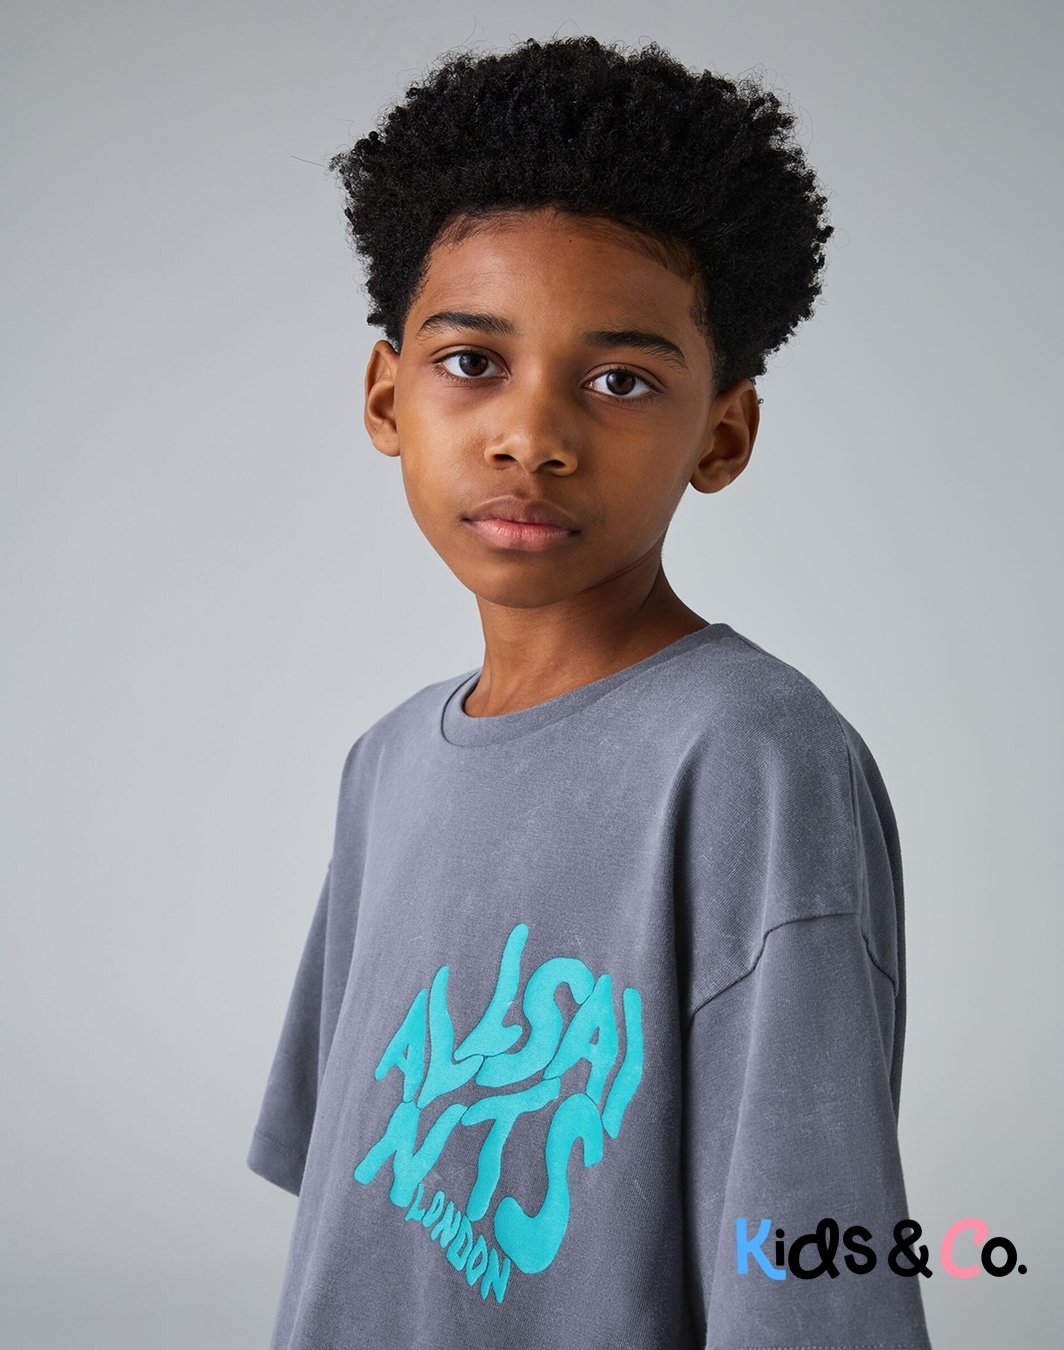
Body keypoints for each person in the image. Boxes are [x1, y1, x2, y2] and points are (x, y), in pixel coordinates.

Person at [246, 34, 932, 1349]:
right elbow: (354, 1192)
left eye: (621, 380)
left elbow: (814, 1261)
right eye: (473, 361)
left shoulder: (753, 759)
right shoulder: (385, 763)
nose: (533, 435)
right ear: (387, 397)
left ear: (722, 432)